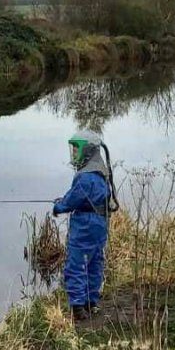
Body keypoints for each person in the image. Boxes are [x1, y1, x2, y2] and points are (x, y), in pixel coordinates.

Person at [53, 129, 112, 321]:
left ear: (87, 151)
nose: (73, 153)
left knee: (77, 263)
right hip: (100, 222)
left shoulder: (84, 177)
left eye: (76, 148)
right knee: (95, 261)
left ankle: (78, 307)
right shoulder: (101, 173)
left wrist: (58, 206)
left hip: (85, 223)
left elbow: (73, 200)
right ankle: (91, 302)